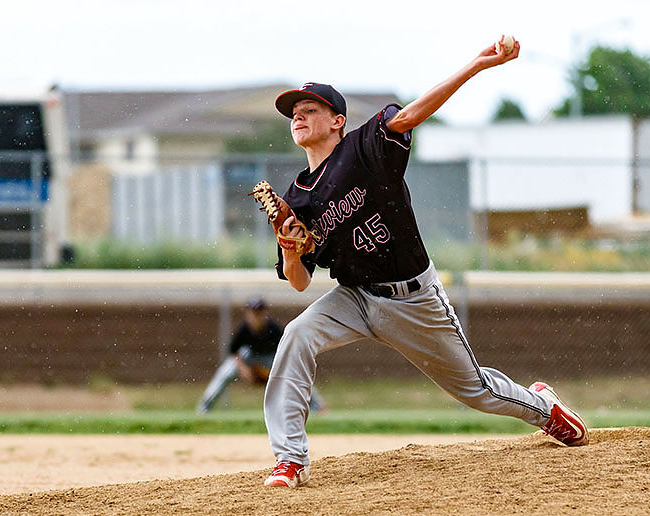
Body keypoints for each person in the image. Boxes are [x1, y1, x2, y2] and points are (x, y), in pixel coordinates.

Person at [261, 39, 589, 488]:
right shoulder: (296, 199)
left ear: (337, 121)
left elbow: (413, 114)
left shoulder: (364, 148)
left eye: (310, 108)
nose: (298, 115)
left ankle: (544, 408)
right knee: (296, 335)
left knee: (476, 391)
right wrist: (289, 246)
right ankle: (290, 459)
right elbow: (298, 283)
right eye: (293, 111)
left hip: (412, 298)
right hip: (354, 298)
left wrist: (476, 65)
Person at [196, 297, 326, 415]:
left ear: (265, 313)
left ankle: (317, 407)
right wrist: (244, 370)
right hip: (250, 357)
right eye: (253, 312)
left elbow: (286, 350)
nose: (256, 315)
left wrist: (276, 372)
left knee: (295, 373)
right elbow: (234, 352)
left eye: (259, 312)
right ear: (247, 314)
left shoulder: (273, 328)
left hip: (272, 357)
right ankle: (203, 409)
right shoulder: (244, 329)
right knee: (225, 372)